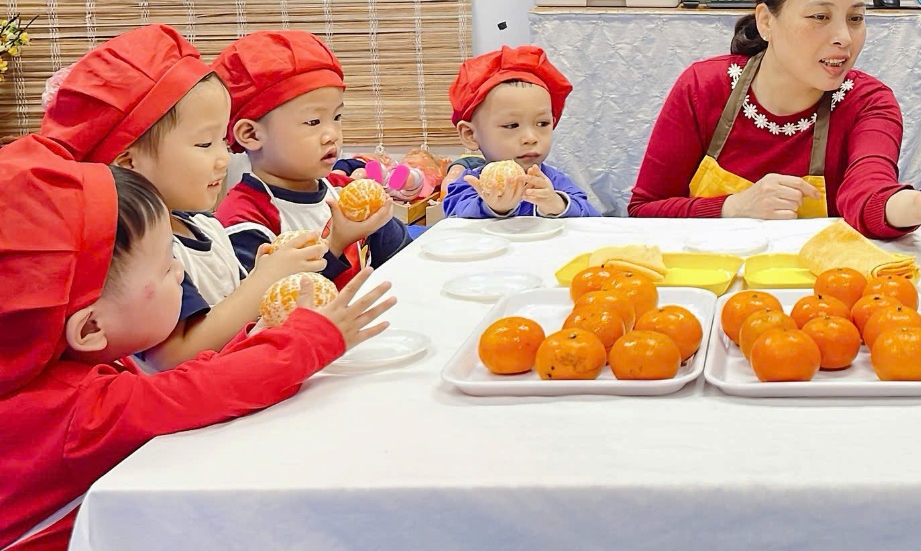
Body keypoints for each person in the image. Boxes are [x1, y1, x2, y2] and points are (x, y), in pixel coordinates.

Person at [0, 136, 394, 550]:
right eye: (166, 266)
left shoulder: (47, 369)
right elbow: (201, 390)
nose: (179, 273)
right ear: (90, 327)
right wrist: (312, 340)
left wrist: (256, 336)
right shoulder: (78, 413)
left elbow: (188, 380)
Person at [628, 0, 921, 239]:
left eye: (855, 18)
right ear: (766, 21)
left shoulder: (869, 103)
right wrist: (733, 206)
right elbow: (645, 210)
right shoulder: (703, 87)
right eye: (820, 17)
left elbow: (868, 192)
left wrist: (920, 205)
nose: (844, 38)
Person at [39, 25, 329, 369]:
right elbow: (173, 356)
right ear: (128, 163)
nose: (224, 159)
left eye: (223, 141)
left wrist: (266, 274)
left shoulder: (206, 225)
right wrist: (264, 281)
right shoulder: (143, 255)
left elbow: (236, 316)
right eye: (205, 144)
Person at [213, 30, 410, 285]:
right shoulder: (244, 220)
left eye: (336, 117)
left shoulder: (344, 192)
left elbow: (405, 261)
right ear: (251, 134)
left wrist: (381, 222)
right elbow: (271, 304)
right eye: (313, 121)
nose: (332, 135)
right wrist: (336, 244)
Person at [442, 45, 599, 219]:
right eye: (511, 125)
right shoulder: (470, 183)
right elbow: (454, 215)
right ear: (470, 135)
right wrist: (492, 207)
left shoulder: (553, 181)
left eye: (542, 123)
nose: (531, 138)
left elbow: (592, 218)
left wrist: (557, 203)